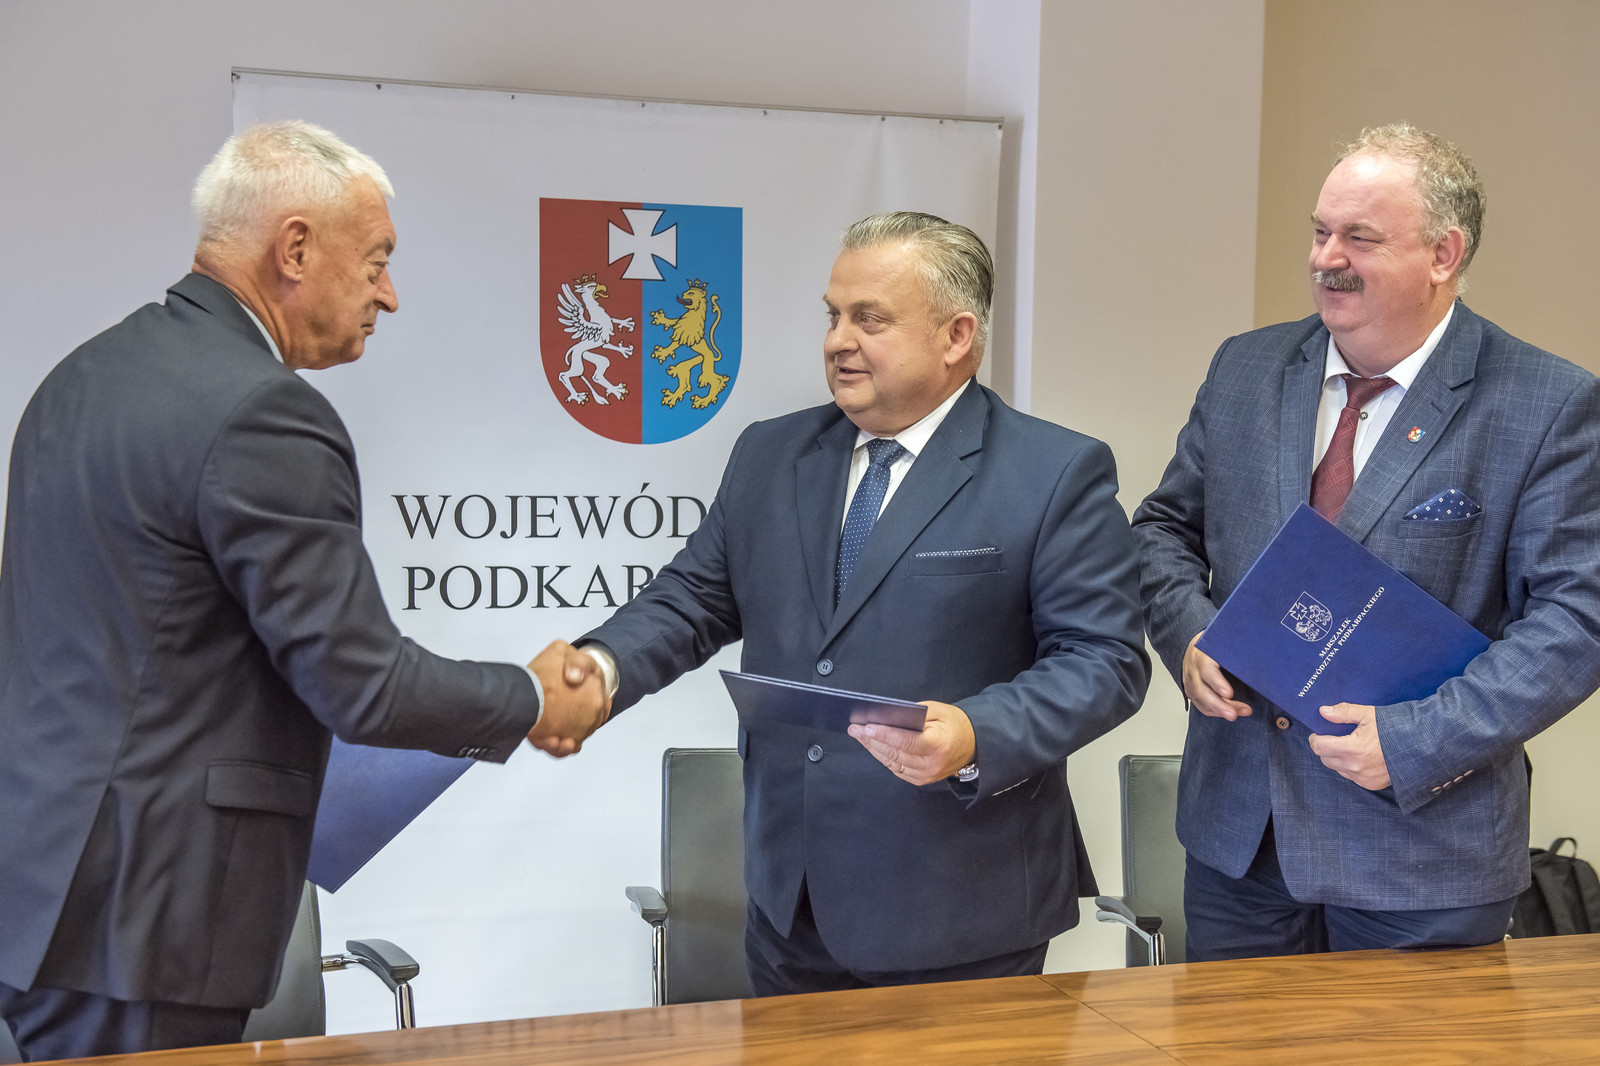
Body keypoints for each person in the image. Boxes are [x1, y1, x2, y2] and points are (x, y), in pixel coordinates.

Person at [0, 121, 608, 1060]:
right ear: (293, 249)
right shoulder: (263, 411)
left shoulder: (76, 379)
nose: (388, 294)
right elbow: (364, 686)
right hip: (148, 920)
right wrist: (534, 697)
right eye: (377, 261)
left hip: (42, 888)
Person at [580, 211, 1150, 995]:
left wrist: (976, 732)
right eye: (833, 315)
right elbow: (692, 598)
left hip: (963, 907)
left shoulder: (1053, 471)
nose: (837, 340)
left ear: (956, 336)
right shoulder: (769, 454)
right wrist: (598, 668)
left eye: (869, 319)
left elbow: (1104, 661)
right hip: (791, 904)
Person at [1133, 123, 1600, 961]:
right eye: (1319, 232)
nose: (1326, 258)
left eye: (1360, 238)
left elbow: (1577, 621)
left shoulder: (1547, 403)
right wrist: (1189, 634)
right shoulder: (1245, 368)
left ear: (1444, 253)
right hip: (1240, 846)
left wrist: (1419, 740)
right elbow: (1164, 529)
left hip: (1422, 855)